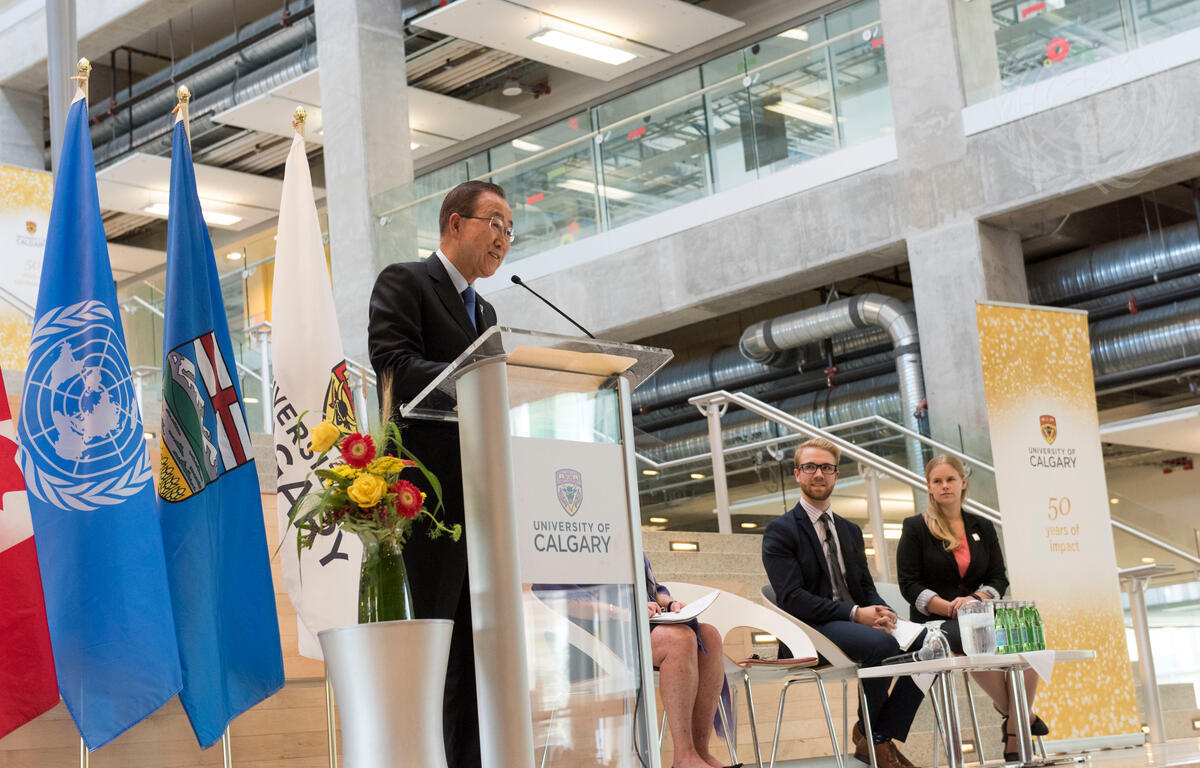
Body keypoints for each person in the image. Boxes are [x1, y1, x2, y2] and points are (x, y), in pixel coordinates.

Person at [367, 180, 513, 768]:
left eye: (510, 229)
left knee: (478, 656)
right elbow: (394, 367)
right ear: (455, 223)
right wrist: (476, 377)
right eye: (495, 223)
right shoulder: (405, 282)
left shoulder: (488, 311)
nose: (504, 238)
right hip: (425, 502)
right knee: (435, 652)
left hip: (480, 498)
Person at [762, 438, 924, 768]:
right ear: (797, 474)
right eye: (810, 467)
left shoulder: (850, 530)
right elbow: (792, 598)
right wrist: (855, 613)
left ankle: (875, 734)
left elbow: (865, 588)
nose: (818, 474)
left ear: (836, 475)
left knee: (928, 643)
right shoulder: (780, 531)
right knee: (881, 644)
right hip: (809, 630)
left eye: (826, 467)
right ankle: (875, 740)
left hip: (853, 625)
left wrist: (884, 612)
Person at [896, 454, 1047, 761]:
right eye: (937, 481)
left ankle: (1014, 723)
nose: (945, 486)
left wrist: (976, 600)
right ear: (929, 486)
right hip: (937, 621)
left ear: (963, 482)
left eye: (950, 479)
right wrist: (949, 608)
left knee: (1026, 636)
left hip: (980, 612)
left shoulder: (982, 526)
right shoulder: (915, 527)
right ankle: (1022, 720)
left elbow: (998, 578)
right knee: (972, 636)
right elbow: (908, 584)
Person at [646, 557, 740, 768]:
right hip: (611, 628)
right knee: (681, 638)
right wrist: (628, 607)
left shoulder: (628, 543)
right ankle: (683, 757)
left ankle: (700, 753)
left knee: (709, 636)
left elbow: (653, 590)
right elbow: (577, 598)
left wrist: (669, 603)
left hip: (647, 621)